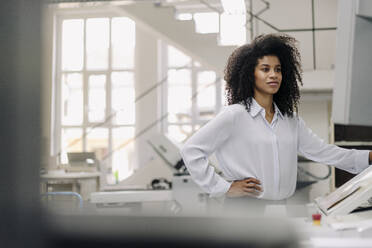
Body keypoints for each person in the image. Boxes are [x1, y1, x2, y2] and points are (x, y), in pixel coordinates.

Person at [180, 33, 372, 201]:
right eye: (265, 69)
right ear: (250, 74)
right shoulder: (235, 115)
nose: (273, 75)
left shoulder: (290, 120)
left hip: (283, 207)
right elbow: (191, 150)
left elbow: (325, 152)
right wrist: (224, 188)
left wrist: (369, 157)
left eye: (278, 69)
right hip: (244, 209)